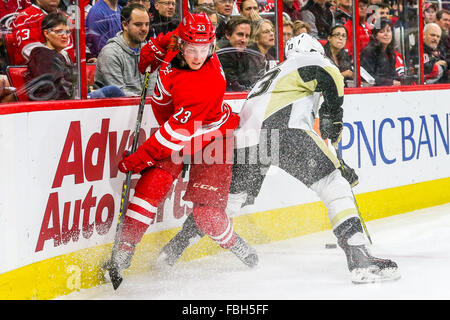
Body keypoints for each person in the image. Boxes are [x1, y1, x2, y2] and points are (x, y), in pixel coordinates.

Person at [157, 33, 400, 284]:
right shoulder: (311, 60)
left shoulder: (275, 72)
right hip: (283, 129)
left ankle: (173, 250)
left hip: (247, 139)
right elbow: (332, 78)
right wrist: (333, 119)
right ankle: (360, 259)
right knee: (333, 184)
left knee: (228, 203)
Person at [104, 13, 258, 289]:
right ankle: (123, 252)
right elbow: (161, 45)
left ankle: (237, 245)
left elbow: (175, 134)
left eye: (203, 50)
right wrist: (153, 49)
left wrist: (137, 160)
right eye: (192, 49)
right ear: (182, 41)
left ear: (211, 47)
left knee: (207, 215)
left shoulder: (204, 82)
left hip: (213, 135)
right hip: (182, 130)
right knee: (150, 187)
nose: (198, 57)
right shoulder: (178, 41)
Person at [25, 12, 125, 101]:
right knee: (113, 91)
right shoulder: (40, 54)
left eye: (67, 32)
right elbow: (56, 87)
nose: (65, 36)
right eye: (59, 31)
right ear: (46, 33)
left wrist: (88, 88)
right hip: (58, 105)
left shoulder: (63, 54)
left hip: (73, 99)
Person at [95, 3, 152, 96]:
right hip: (116, 109)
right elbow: (119, 94)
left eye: (147, 24)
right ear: (125, 25)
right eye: (138, 24)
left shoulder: (150, 51)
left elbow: (152, 91)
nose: (144, 29)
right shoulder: (110, 53)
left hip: (146, 107)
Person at [10, 0, 74, 65]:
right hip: (35, 72)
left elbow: (74, 52)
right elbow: (33, 54)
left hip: (67, 71)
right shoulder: (25, 18)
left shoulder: (67, 18)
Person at [216, 16, 266, 91]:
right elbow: (232, 84)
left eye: (247, 36)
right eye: (240, 34)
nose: (244, 40)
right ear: (228, 35)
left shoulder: (247, 54)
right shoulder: (222, 55)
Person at [361, 18, 403, 86]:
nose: (386, 34)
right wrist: (390, 82)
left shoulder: (391, 53)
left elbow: (393, 75)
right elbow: (368, 77)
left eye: (388, 31)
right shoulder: (368, 52)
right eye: (382, 32)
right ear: (375, 35)